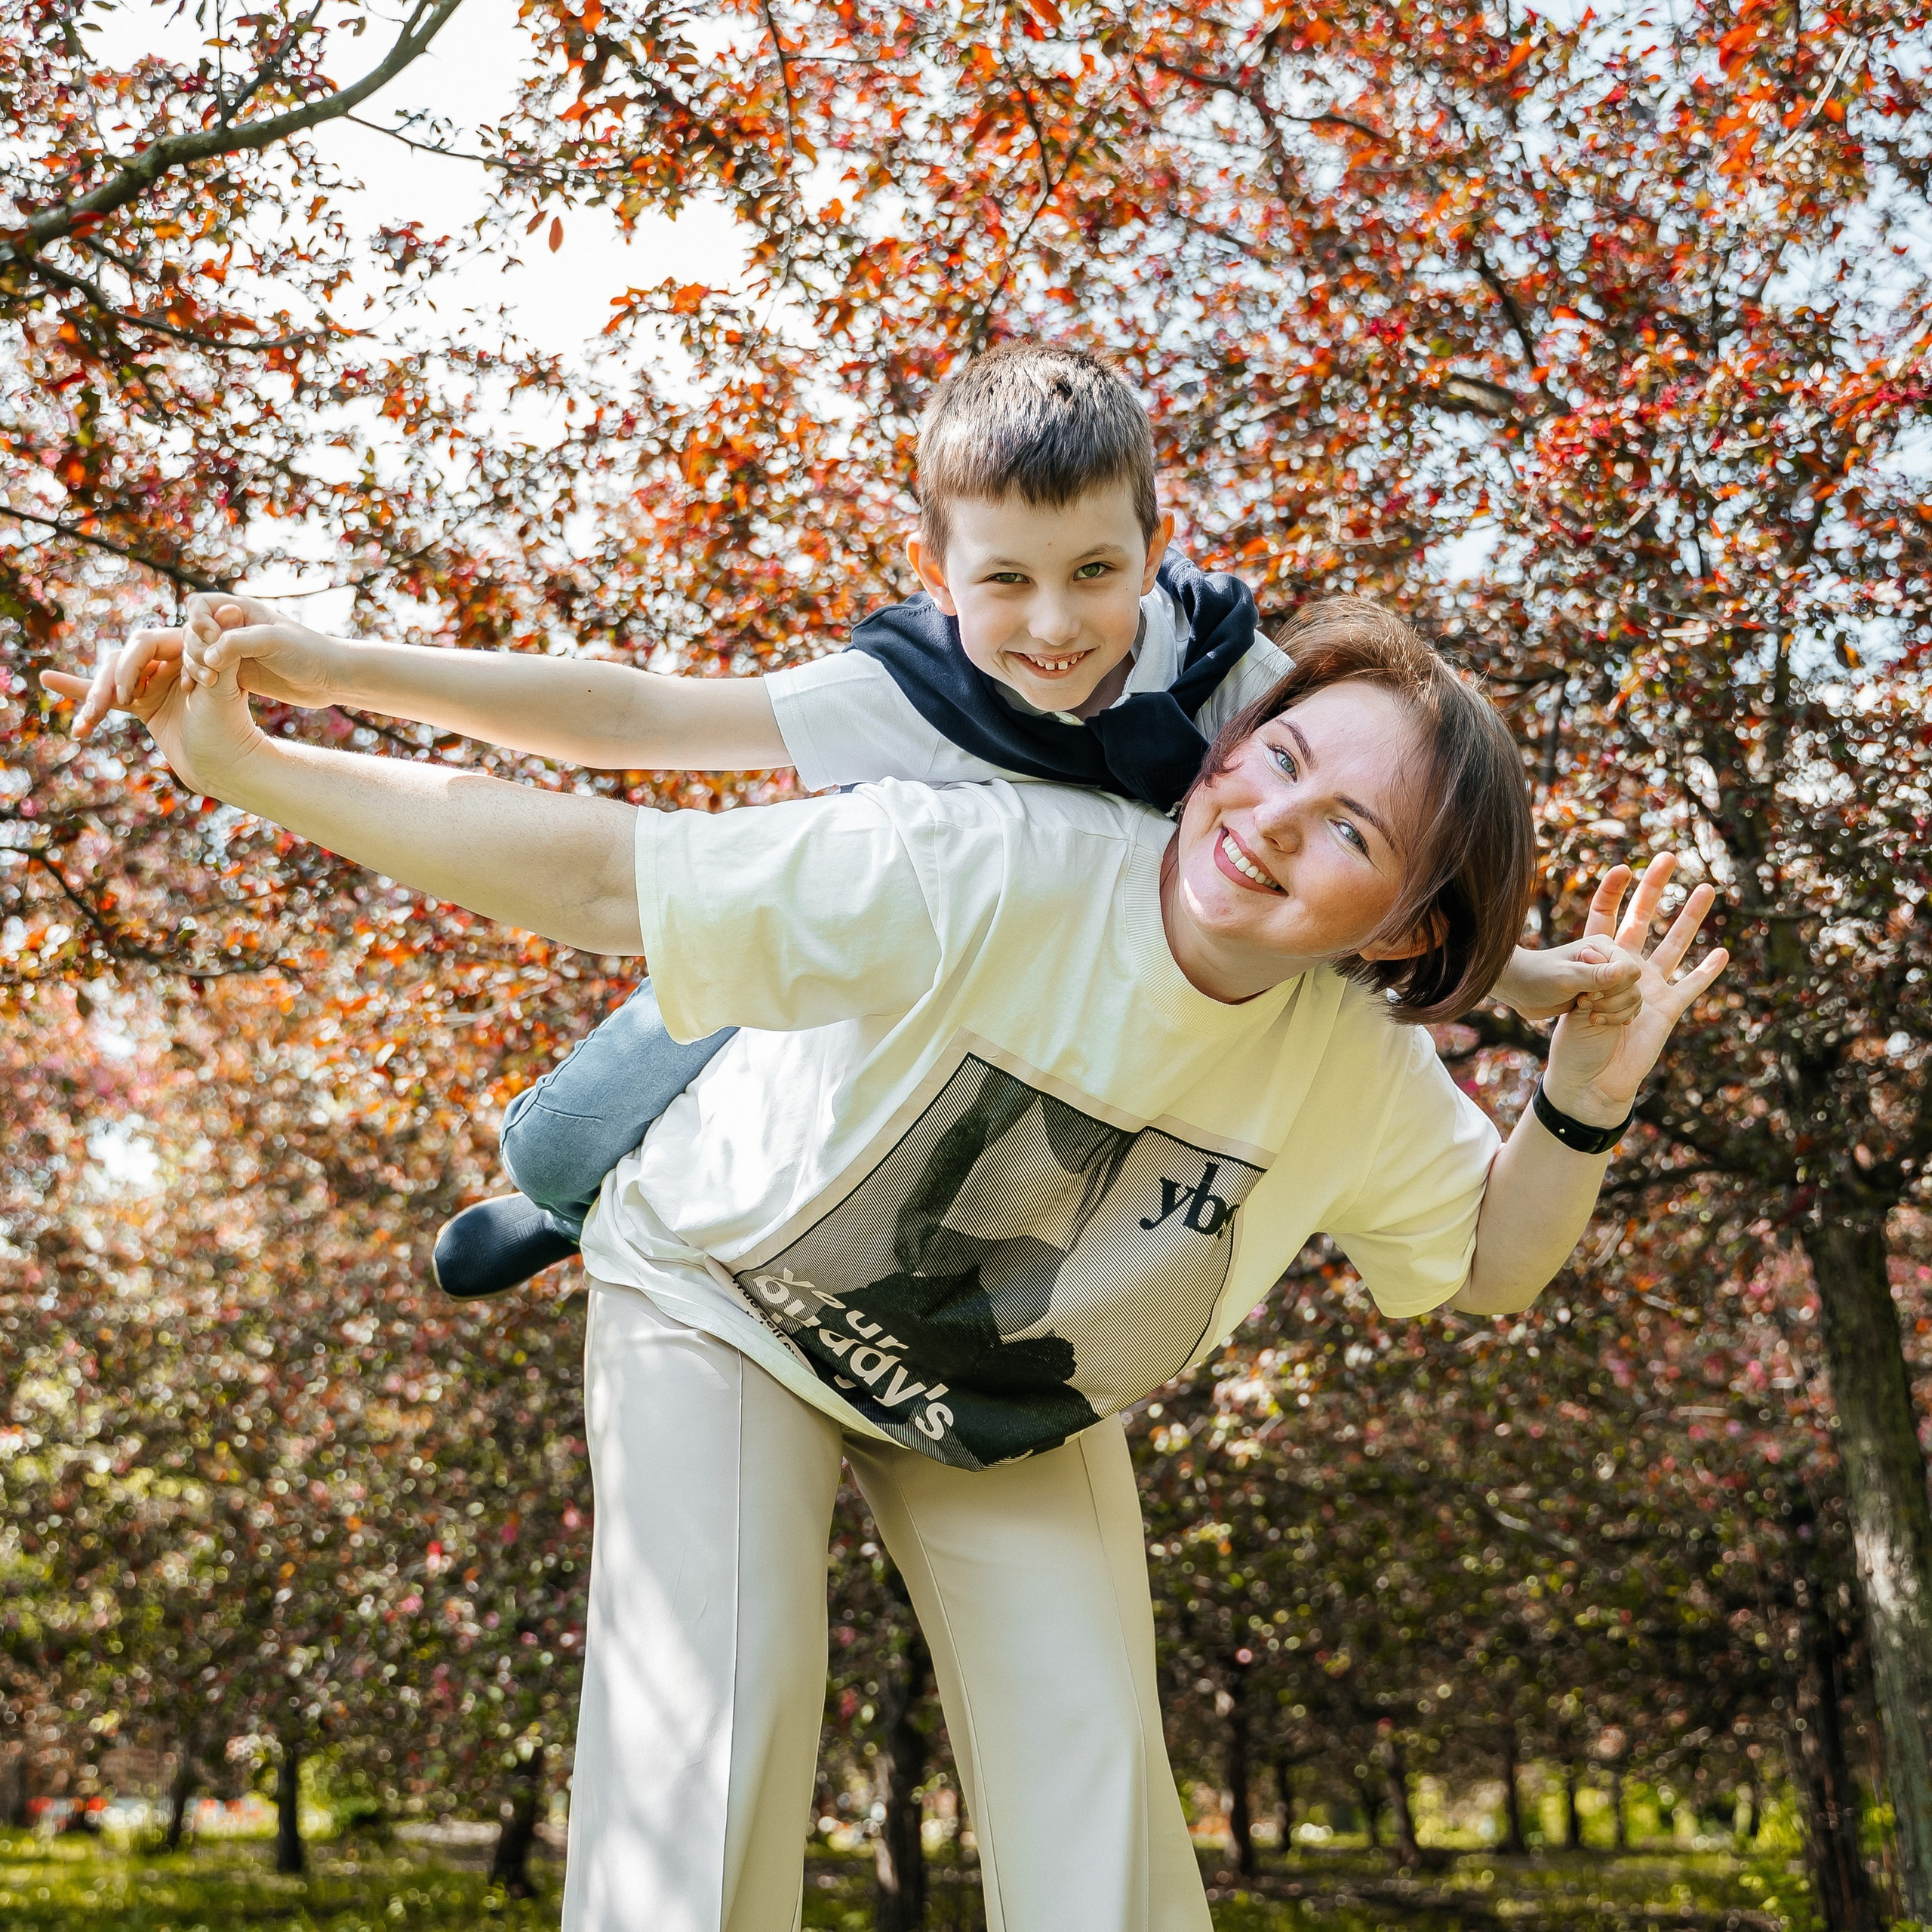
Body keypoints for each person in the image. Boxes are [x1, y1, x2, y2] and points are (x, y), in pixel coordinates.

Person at [60, 590, 1726, 1932]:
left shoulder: (1354, 1072)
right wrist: (252, 764)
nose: (1273, 821)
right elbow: (606, 872)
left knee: (1093, 1773)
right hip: (720, 1293)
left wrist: (1580, 1098)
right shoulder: (984, 858)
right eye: (1275, 756)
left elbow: (1490, 1264)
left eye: (1350, 828)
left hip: (1002, 1406)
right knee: (715, 1729)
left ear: (1408, 928)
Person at [61, 345, 1639, 1304]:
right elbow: (629, 720)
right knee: (663, 1040)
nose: (1053, 626)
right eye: (1003, 582)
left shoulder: (1232, 668)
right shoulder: (898, 694)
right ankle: (562, 1198)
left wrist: (1518, 971)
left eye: (1096, 573)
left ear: (1156, 546)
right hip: (885, 947)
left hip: (1057, 1012)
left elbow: (1370, 849)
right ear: (936, 572)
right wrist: (340, 668)